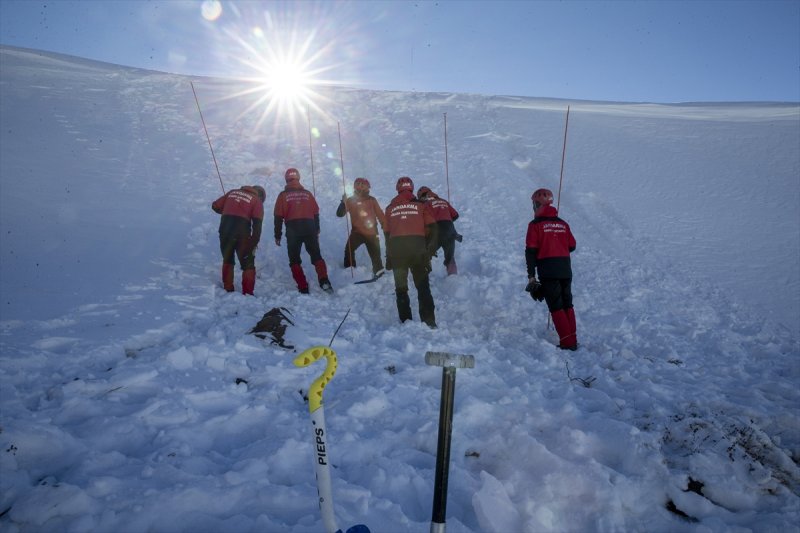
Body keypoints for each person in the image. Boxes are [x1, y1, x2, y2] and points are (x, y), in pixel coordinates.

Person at [525, 188, 578, 350]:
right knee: (567, 303)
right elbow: (572, 246)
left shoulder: (535, 225)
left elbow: (531, 251)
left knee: (556, 305)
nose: (533, 207)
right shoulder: (563, 223)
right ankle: (572, 338)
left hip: (548, 269)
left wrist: (531, 276)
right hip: (565, 268)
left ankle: (568, 343)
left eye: (534, 204)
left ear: (538, 204)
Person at [384, 176, 439, 328]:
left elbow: (386, 235)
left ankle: (406, 322)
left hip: (397, 253)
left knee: (401, 290)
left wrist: (388, 257)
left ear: (398, 188)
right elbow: (433, 228)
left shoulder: (389, 208)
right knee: (423, 287)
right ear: (412, 188)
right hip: (418, 251)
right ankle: (429, 323)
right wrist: (429, 251)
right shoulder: (421, 206)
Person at [273, 168, 333, 294]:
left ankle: (302, 286)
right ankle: (324, 281)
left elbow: (278, 216)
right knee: (316, 255)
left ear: (286, 179)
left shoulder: (283, 195)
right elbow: (316, 212)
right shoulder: (307, 193)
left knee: (294, 259)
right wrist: (316, 229)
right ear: (298, 178)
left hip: (293, 229)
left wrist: (277, 235)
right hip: (309, 226)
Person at [211, 184, 266, 295]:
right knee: (248, 264)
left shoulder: (232, 192)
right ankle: (248, 293)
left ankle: (228, 289)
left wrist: (228, 209)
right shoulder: (256, 201)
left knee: (228, 259)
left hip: (225, 230)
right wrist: (253, 244)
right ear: (261, 196)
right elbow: (257, 227)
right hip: (242, 234)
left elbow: (215, 206)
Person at [336, 177, 387, 277]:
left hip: (369, 233)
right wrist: (343, 202)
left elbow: (380, 215)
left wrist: (385, 226)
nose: (366, 189)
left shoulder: (370, 200)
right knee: (351, 251)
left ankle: (353, 271)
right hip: (360, 233)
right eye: (366, 187)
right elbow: (340, 214)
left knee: (374, 255)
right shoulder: (351, 200)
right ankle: (352, 271)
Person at [417, 186, 461, 275]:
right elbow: (455, 215)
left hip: (435, 232)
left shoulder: (426, 204)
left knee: (425, 253)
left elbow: (423, 220)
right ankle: (454, 279)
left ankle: (425, 277)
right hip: (450, 231)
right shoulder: (444, 201)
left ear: (423, 196)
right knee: (450, 258)